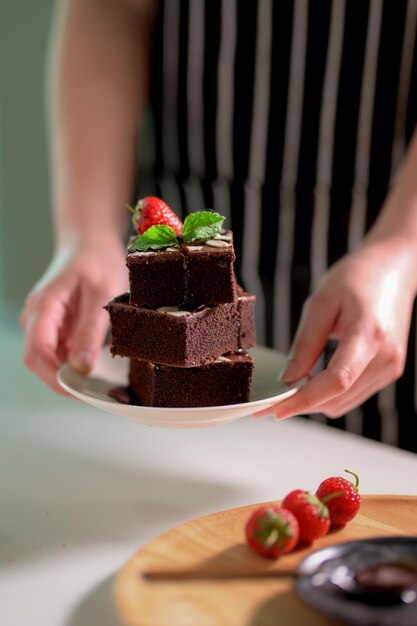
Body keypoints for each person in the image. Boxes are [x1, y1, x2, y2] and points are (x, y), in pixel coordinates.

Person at [21, 0, 417, 451]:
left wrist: (400, 251)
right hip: (192, 195)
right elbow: (112, 8)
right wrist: (87, 234)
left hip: (385, 231)